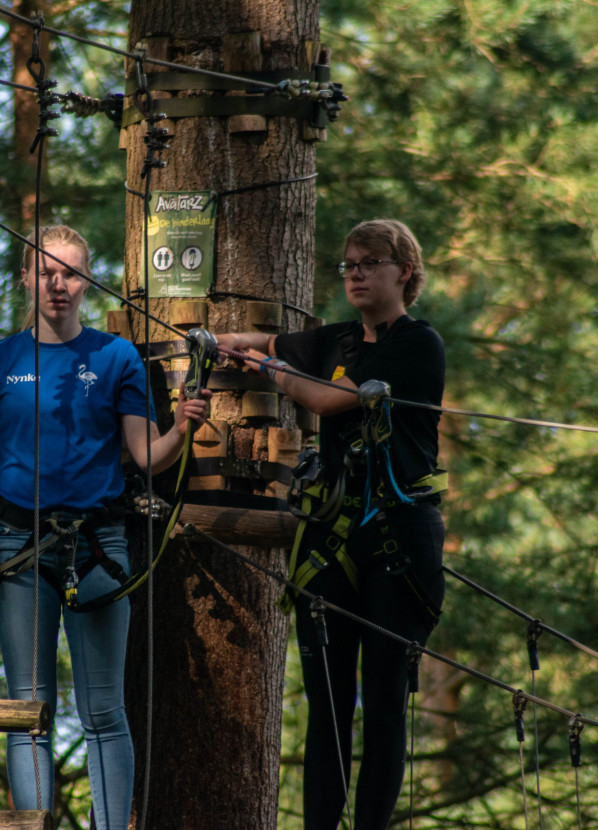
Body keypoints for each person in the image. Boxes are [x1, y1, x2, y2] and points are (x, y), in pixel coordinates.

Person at [0, 225, 209, 829]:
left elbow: (144, 456)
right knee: (28, 711)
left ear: (87, 280)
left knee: (104, 712)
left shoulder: (116, 357)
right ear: (26, 278)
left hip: (97, 544)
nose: (56, 284)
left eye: (68, 272)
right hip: (15, 543)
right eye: (45, 272)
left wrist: (183, 429)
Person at [216, 219, 446, 830]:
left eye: (370, 263)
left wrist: (271, 373)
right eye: (348, 265)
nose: (356, 274)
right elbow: (260, 343)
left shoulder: (418, 345)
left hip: (397, 541)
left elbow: (323, 402)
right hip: (334, 538)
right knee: (328, 705)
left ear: (405, 272)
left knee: (384, 705)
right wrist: (212, 340)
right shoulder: (336, 342)